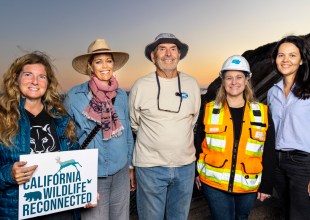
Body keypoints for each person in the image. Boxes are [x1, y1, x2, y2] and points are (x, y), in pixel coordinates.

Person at [129, 33, 201, 220]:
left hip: (185, 167)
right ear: (153, 57)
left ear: (179, 55)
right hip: (150, 167)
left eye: (173, 49)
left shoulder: (192, 84)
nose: (168, 54)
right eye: (162, 49)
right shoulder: (140, 85)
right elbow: (135, 124)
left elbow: (193, 120)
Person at [0, 51, 80, 219]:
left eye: (42, 77)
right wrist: (9, 174)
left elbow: (75, 156)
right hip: (18, 210)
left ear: (48, 82)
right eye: (28, 75)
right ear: (16, 78)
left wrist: (82, 193)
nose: (35, 81)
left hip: (60, 208)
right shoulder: (3, 119)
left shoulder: (60, 117)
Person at [196, 55, 276, 220]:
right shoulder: (209, 110)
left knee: (242, 218)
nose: (234, 82)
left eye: (239, 77)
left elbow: (268, 151)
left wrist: (267, 184)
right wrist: (196, 174)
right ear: (223, 81)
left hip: (248, 184)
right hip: (214, 183)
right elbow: (198, 144)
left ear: (247, 80)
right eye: (229, 77)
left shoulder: (262, 112)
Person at [64, 38, 135, 220]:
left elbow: (127, 133)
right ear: (90, 66)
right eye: (98, 61)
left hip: (120, 173)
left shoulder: (120, 95)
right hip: (91, 175)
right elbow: (66, 140)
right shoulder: (74, 96)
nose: (105, 65)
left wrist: (130, 166)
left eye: (109, 60)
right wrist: (75, 181)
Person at [267, 35, 310, 220]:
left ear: (301, 60)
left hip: (303, 162)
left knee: (299, 215)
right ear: (275, 59)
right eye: (281, 55)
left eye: (292, 55)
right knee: (285, 211)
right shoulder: (272, 92)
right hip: (276, 161)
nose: (285, 60)